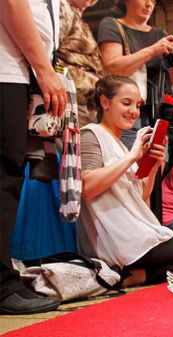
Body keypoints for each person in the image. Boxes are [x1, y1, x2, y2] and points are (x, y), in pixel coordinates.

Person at [78, 76, 173, 287]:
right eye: (126, 103)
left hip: (140, 231)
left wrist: (154, 165)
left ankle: (138, 276)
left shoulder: (122, 146)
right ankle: (130, 272)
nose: (134, 111)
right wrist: (132, 156)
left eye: (137, 105)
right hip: (118, 237)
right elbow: (87, 187)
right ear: (105, 102)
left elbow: (141, 200)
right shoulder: (91, 134)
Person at [0, 0, 65, 315]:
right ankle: (1, 283)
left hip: (17, 69)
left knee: (9, 176)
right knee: (4, 176)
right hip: (6, 69)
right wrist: (44, 69)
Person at [97, 0, 173, 148]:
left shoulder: (160, 34)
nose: (149, 4)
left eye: (153, 1)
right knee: (125, 165)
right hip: (124, 113)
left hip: (155, 115)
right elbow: (111, 69)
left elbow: (169, 83)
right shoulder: (112, 25)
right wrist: (153, 50)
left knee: (153, 168)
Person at [55, 0, 103, 127]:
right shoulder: (62, 8)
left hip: (84, 98)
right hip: (69, 93)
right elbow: (48, 50)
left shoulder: (77, 17)